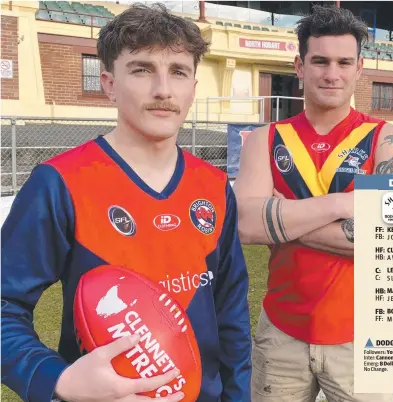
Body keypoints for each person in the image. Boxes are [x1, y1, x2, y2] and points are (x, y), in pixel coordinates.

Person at [1, 3, 251, 402]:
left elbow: (232, 317)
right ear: (109, 83)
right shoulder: (61, 183)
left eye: (178, 72)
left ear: (192, 88)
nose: (163, 90)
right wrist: (57, 380)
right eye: (141, 69)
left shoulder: (215, 186)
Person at [233, 5, 393, 402]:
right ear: (300, 66)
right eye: (320, 61)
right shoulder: (266, 138)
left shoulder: (388, 139)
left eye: (343, 62)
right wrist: (341, 204)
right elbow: (246, 224)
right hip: (281, 333)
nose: (332, 73)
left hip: (363, 337)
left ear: (359, 67)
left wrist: (283, 220)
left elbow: (392, 242)